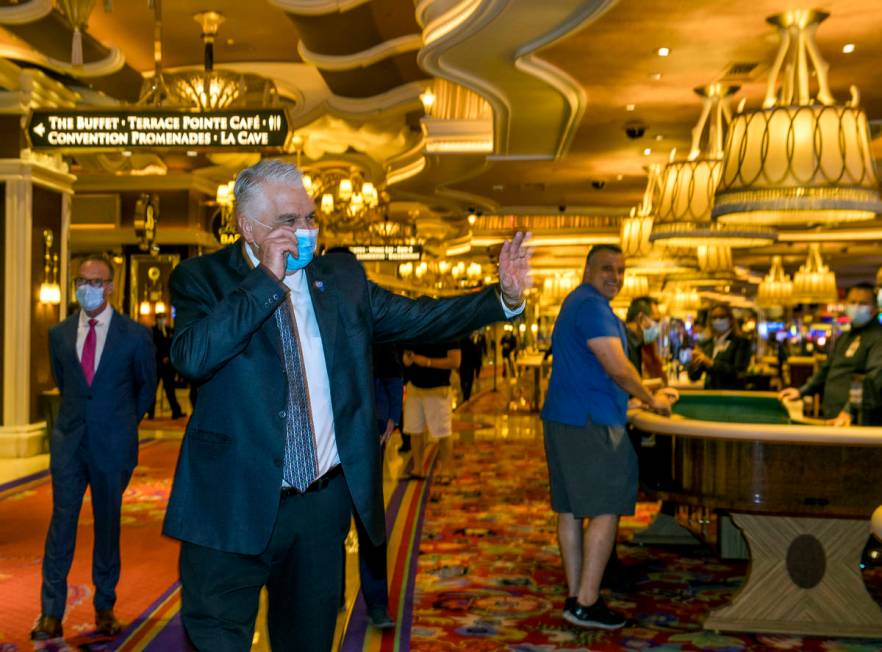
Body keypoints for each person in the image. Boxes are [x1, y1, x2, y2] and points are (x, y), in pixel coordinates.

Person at [162, 159, 531, 651]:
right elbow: (192, 357)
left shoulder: (340, 279)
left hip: (318, 506)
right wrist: (265, 281)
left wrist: (500, 297)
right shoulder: (200, 278)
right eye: (288, 221)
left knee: (310, 641)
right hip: (229, 503)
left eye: (310, 218)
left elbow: (421, 317)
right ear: (247, 227)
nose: (305, 231)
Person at [541, 244, 672, 630]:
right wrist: (650, 400)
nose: (615, 276)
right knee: (606, 507)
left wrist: (638, 393)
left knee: (568, 509)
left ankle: (576, 596)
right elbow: (616, 366)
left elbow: (596, 370)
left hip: (567, 417)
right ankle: (587, 601)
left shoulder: (578, 303)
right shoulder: (593, 307)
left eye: (620, 269)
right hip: (590, 423)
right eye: (606, 268)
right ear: (587, 270)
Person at [32, 256, 156, 641]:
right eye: (82, 280)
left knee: (107, 524)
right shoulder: (59, 333)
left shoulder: (135, 336)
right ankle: (50, 612)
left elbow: (145, 387)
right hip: (69, 444)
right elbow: (66, 382)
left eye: (97, 281)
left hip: (112, 445)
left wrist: (121, 424)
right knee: (61, 525)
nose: (89, 287)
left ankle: (105, 606)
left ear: (111, 286)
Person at [780, 283, 882, 426]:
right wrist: (801, 391)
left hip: (858, 419)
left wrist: (849, 411)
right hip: (833, 415)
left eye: (863, 303)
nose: (857, 306)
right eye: (853, 302)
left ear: (875, 308)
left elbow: (873, 379)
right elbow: (827, 370)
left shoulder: (878, 337)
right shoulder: (846, 336)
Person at [402, 342, 461, 484]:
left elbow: (455, 361)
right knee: (414, 430)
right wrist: (407, 359)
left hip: (438, 388)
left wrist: (428, 362)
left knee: (443, 432)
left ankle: (446, 470)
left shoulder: (448, 329)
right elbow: (406, 356)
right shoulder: (415, 329)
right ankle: (418, 468)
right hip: (414, 387)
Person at [687, 303, 751, 389]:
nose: (718, 320)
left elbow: (738, 372)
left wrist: (710, 363)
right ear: (710, 321)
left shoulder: (741, 342)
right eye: (714, 317)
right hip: (711, 397)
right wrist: (694, 363)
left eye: (722, 317)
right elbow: (694, 377)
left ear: (731, 319)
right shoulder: (708, 344)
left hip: (732, 397)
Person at [147, 313, 184, 420]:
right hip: (157, 365)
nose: (162, 321)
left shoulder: (169, 331)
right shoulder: (152, 331)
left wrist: (169, 357)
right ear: (156, 320)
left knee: (170, 389)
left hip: (167, 366)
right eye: (160, 319)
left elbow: (173, 345)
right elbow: (152, 346)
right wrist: (161, 357)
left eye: (163, 319)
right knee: (152, 390)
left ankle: (176, 412)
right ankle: (151, 412)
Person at [624, 296, 660, 376]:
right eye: (656, 320)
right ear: (640, 318)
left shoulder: (637, 343)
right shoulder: (622, 342)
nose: (657, 326)